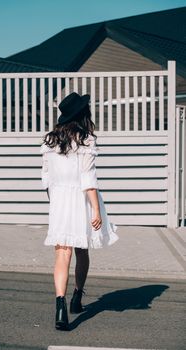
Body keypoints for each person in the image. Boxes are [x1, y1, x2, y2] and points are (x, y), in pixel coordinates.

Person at [40, 92, 119, 331]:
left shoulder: (49, 141)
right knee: (82, 251)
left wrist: (54, 202)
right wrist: (96, 209)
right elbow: (88, 179)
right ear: (83, 114)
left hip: (59, 201)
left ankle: (60, 308)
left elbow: (45, 178)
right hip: (81, 200)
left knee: (62, 255)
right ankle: (77, 298)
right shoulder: (86, 140)